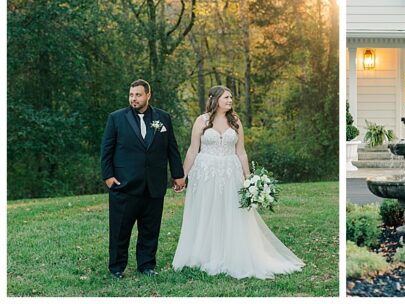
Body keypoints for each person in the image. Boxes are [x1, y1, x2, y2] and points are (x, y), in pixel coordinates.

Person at [172, 86, 304, 279]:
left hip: (229, 172)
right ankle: (203, 252)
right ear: (216, 99)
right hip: (205, 173)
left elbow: (241, 152)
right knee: (206, 210)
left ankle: (229, 251)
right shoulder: (201, 121)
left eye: (231, 97)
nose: (230, 100)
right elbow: (192, 150)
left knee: (231, 211)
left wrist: (249, 178)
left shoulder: (235, 121)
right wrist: (182, 176)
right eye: (226, 97)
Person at [100, 79, 185, 279]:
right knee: (120, 229)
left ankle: (146, 265)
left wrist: (178, 174)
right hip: (124, 184)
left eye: (138, 94)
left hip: (154, 185)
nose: (133, 98)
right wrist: (108, 177)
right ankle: (117, 267)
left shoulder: (163, 118)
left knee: (150, 229)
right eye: (131, 95)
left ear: (148, 95)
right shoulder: (116, 118)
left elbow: (171, 148)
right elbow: (106, 150)